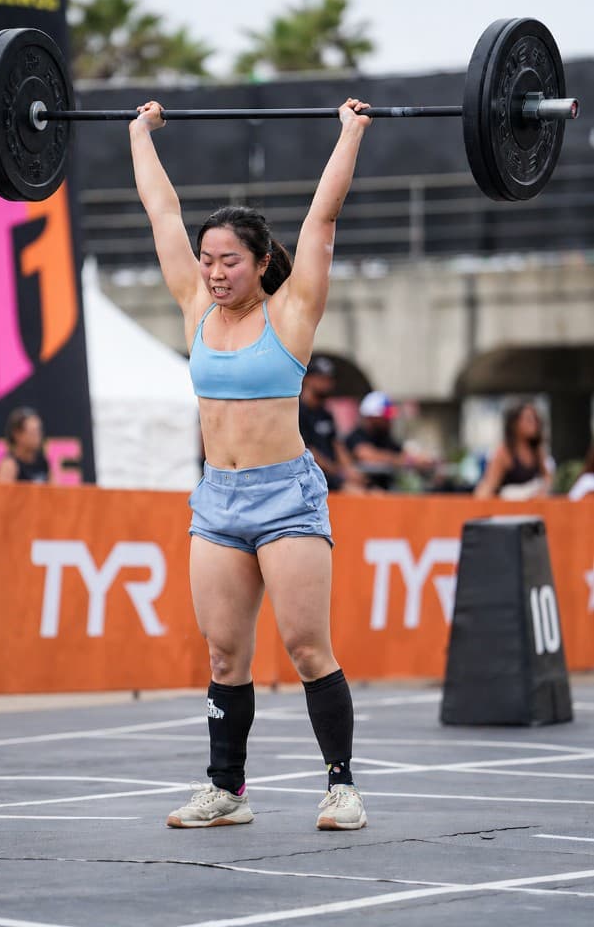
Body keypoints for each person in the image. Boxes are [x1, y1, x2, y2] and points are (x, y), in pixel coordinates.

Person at [129, 97, 372, 832]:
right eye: (206, 260)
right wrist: (139, 134)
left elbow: (321, 221)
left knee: (304, 647)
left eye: (228, 259)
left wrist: (350, 132)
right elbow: (161, 212)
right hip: (218, 501)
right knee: (224, 652)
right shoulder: (193, 306)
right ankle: (225, 790)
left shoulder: (292, 314)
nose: (213, 271)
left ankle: (341, 788)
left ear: (261, 261)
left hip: (285, 498)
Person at [298, 356, 367, 493]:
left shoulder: (325, 413)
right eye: (321, 378)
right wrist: (340, 473)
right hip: (310, 476)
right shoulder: (298, 411)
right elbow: (307, 451)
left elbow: (336, 444)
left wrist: (350, 470)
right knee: (357, 493)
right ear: (307, 379)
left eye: (329, 379)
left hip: (331, 475)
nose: (327, 383)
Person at [345, 390, 435, 490]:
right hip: (361, 491)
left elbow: (403, 453)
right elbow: (366, 455)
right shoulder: (356, 436)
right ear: (372, 417)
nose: (389, 420)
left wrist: (420, 460)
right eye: (385, 416)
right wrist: (402, 461)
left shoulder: (384, 437)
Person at [474, 401, 551, 499]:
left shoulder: (537, 451)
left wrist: (541, 491)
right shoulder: (504, 452)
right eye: (528, 419)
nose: (534, 424)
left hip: (531, 511)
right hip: (508, 510)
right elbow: (489, 485)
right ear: (514, 424)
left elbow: (547, 478)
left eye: (535, 419)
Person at [0, 407, 49, 483]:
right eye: (32, 433)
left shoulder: (43, 462)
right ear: (17, 434)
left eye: (39, 431)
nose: (38, 437)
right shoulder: (9, 465)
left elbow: (53, 491)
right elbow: (0, 494)